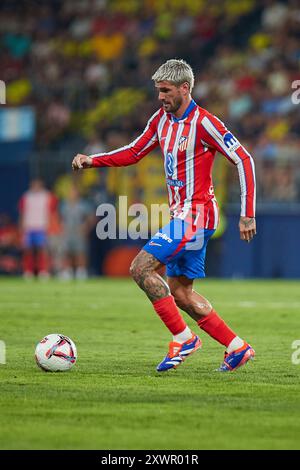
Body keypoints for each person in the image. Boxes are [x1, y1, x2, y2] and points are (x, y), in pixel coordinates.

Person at [72, 59, 256, 372]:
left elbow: (243, 159)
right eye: (158, 91)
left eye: (166, 90)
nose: (160, 97)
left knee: (141, 268)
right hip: (184, 214)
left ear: (185, 88)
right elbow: (133, 151)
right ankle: (237, 347)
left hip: (197, 214)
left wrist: (247, 213)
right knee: (182, 293)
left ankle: (184, 338)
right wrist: (93, 161)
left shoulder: (204, 122)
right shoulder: (161, 120)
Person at [19, 179, 56, 279]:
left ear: (41, 185)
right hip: (29, 227)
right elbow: (22, 213)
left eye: (37, 185)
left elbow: (52, 213)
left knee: (42, 250)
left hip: (42, 227)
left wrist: (50, 227)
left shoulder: (47, 196)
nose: (35, 187)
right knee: (28, 251)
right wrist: (22, 227)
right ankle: (28, 271)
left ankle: (43, 271)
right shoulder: (26, 196)